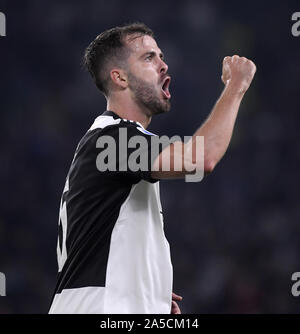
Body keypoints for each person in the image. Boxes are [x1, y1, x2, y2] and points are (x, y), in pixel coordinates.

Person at [49, 22, 256, 314]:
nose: (163, 64)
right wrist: (237, 86)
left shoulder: (114, 143)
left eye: (161, 55)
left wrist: (144, 291)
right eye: (149, 57)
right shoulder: (111, 139)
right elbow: (202, 158)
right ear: (119, 77)